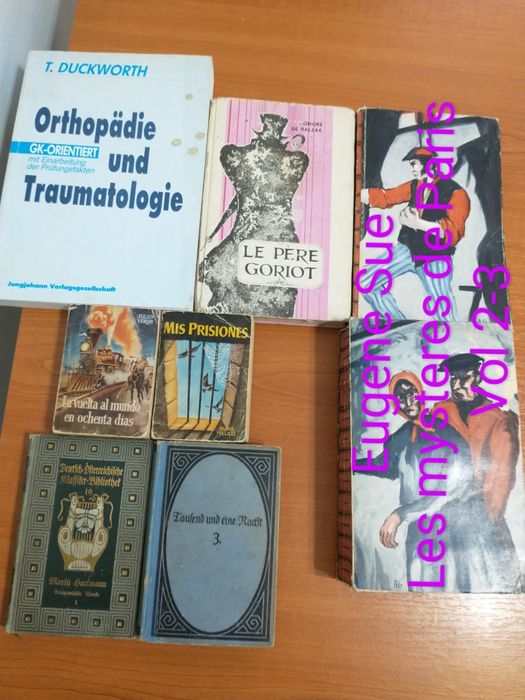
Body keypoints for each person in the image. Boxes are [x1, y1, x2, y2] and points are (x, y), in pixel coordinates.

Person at [354, 370, 521, 592]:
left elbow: (452, 488)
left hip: (451, 530)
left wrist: (400, 515)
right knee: (421, 593)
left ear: (421, 393)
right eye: (400, 397)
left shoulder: (445, 429)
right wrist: (350, 463)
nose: (408, 401)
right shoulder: (403, 435)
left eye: (412, 393)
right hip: (420, 532)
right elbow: (384, 464)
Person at [199, 113, 309, 317]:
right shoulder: (295, 161)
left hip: (253, 237)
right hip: (276, 240)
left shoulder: (236, 155)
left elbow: (244, 190)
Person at [359, 147, 470, 320]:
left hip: (434, 257)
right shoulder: (415, 185)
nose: (411, 169)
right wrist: (355, 193)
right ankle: (397, 323)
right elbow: (387, 197)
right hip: (407, 250)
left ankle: (452, 338)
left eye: (414, 164)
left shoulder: (456, 193)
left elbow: (453, 233)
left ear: (429, 164)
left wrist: (418, 224)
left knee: (445, 315)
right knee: (365, 282)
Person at [434, 353, 520, 523]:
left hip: (483, 511)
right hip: (443, 508)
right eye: (453, 379)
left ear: (478, 378)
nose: (456, 386)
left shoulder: (498, 418)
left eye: (464, 378)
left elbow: (502, 475)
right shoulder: (439, 412)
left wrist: (490, 517)